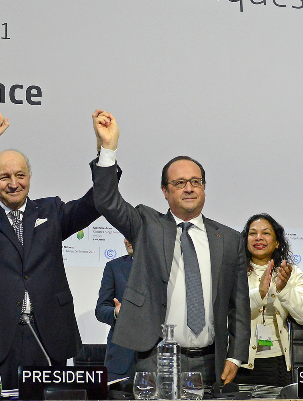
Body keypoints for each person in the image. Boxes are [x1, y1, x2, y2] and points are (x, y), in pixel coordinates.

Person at [90, 109, 249, 392]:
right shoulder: (147, 225)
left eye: (195, 182)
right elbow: (106, 201)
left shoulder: (230, 239)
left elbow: (238, 306)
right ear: (165, 191)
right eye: (179, 183)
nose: (189, 188)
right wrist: (107, 150)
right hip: (155, 359)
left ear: (204, 187)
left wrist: (236, 354)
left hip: (210, 362)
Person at [0, 116, 103, 389]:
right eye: (4, 177)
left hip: (48, 335)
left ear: (30, 177)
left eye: (20, 175)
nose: (13, 183)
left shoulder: (52, 211)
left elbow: (95, 202)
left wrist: (105, 152)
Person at [234, 213, 303, 388]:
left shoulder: (291, 273)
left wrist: (284, 289)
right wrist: (260, 293)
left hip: (279, 363)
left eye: (266, 233)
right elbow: (229, 312)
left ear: (277, 242)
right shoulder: (233, 272)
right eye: (252, 233)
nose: (258, 238)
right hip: (238, 363)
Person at [95, 239, 137, 384]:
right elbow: (101, 309)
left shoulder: (162, 264)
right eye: (125, 235)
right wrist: (115, 312)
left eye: (131, 234)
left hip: (156, 359)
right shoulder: (114, 266)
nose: (127, 240)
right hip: (121, 357)